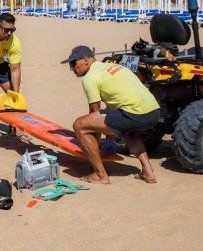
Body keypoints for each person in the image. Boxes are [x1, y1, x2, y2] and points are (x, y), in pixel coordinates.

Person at [64, 45, 160, 184]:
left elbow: (94, 115)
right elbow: (111, 107)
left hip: (134, 114)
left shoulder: (90, 78)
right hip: (154, 113)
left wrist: (94, 146)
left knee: (80, 125)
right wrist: (109, 139)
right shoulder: (114, 66)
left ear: (86, 60)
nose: (72, 68)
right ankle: (148, 172)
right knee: (128, 131)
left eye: (73, 63)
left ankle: (100, 175)